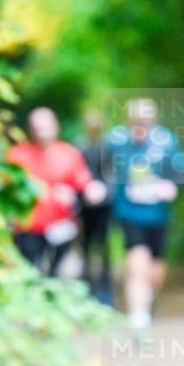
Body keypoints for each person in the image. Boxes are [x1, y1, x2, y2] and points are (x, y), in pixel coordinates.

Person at [108, 98, 184, 329]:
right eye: (135, 123)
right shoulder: (115, 141)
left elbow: (180, 170)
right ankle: (138, 317)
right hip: (129, 212)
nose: (140, 128)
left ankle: (147, 300)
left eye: (145, 123)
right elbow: (97, 164)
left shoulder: (167, 141)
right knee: (136, 261)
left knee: (155, 269)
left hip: (158, 214)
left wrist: (172, 187)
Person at [7, 107, 106, 276]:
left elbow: (83, 182)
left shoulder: (69, 153)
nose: (42, 133)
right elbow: (7, 188)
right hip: (28, 225)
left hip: (60, 224)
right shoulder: (17, 155)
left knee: (55, 271)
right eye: (38, 128)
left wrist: (91, 190)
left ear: (55, 127)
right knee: (30, 268)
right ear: (31, 129)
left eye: (46, 127)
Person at [78, 110, 114, 304]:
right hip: (85, 206)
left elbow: (112, 174)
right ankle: (87, 288)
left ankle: (105, 290)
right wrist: (85, 191)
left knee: (103, 247)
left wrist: (105, 192)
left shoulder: (107, 147)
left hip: (104, 207)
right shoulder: (80, 146)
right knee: (85, 247)